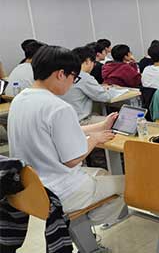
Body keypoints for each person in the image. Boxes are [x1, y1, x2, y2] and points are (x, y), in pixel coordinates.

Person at [8, 45, 125, 226]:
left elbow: (55, 132)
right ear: (61, 74)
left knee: (101, 173)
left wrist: (100, 126)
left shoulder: (20, 100)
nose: (72, 83)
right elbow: (72, 160)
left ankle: (83, 229)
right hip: (62, 192)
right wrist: (94, 139)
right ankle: (82, 224)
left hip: (32, 188)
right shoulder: (59, 107)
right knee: (129, 184)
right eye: (74, 78)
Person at [61, 46, 113, 122]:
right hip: (80, 121)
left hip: (64, 120)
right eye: (93, 62)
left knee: (96, 113)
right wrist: (105, 90)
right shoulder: (85, 77)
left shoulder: (64, 75)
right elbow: (105, 97)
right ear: (88, 61)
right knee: (114, 121)